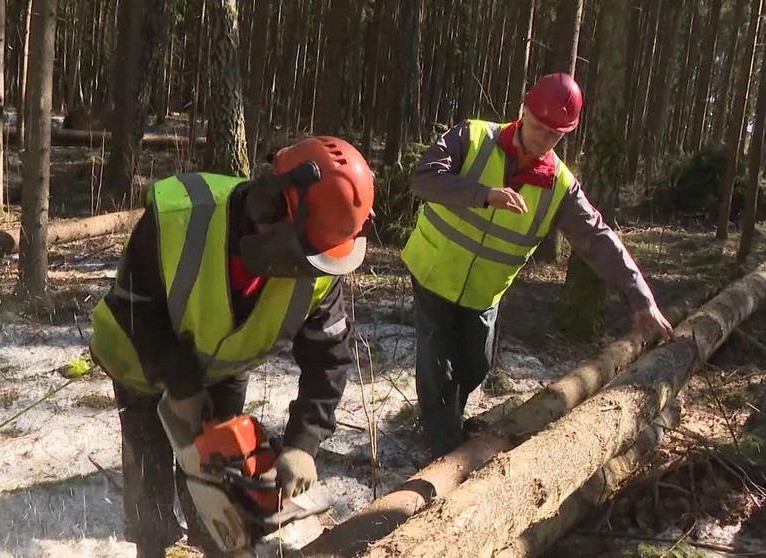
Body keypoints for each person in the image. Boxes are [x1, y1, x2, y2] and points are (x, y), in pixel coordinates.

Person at [88, 136, 375, 557]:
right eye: (305, 252)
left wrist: (303, 442)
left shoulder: (321, 265)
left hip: (224, 367)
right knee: (149, 477)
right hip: (139, 360)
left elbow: (327, 357)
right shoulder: (180, 216)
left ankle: (215, 544)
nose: (307, 269)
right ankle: (152, 545)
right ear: (270, 205)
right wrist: (180, 383)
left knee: (219, 481)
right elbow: (133, 305)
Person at [400, 72, 675, 458]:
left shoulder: (560, 186)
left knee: (475, 364)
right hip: (433, 269)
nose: (543, 138)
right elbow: (426, 178)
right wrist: (482, 195)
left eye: (555, 133)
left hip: (484, 291)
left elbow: (598, 238)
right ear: (523, 110)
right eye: (539, 125)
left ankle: (445, 419)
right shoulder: (472, 137)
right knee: (436, 359)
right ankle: (443, 448)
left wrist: (640, 296)